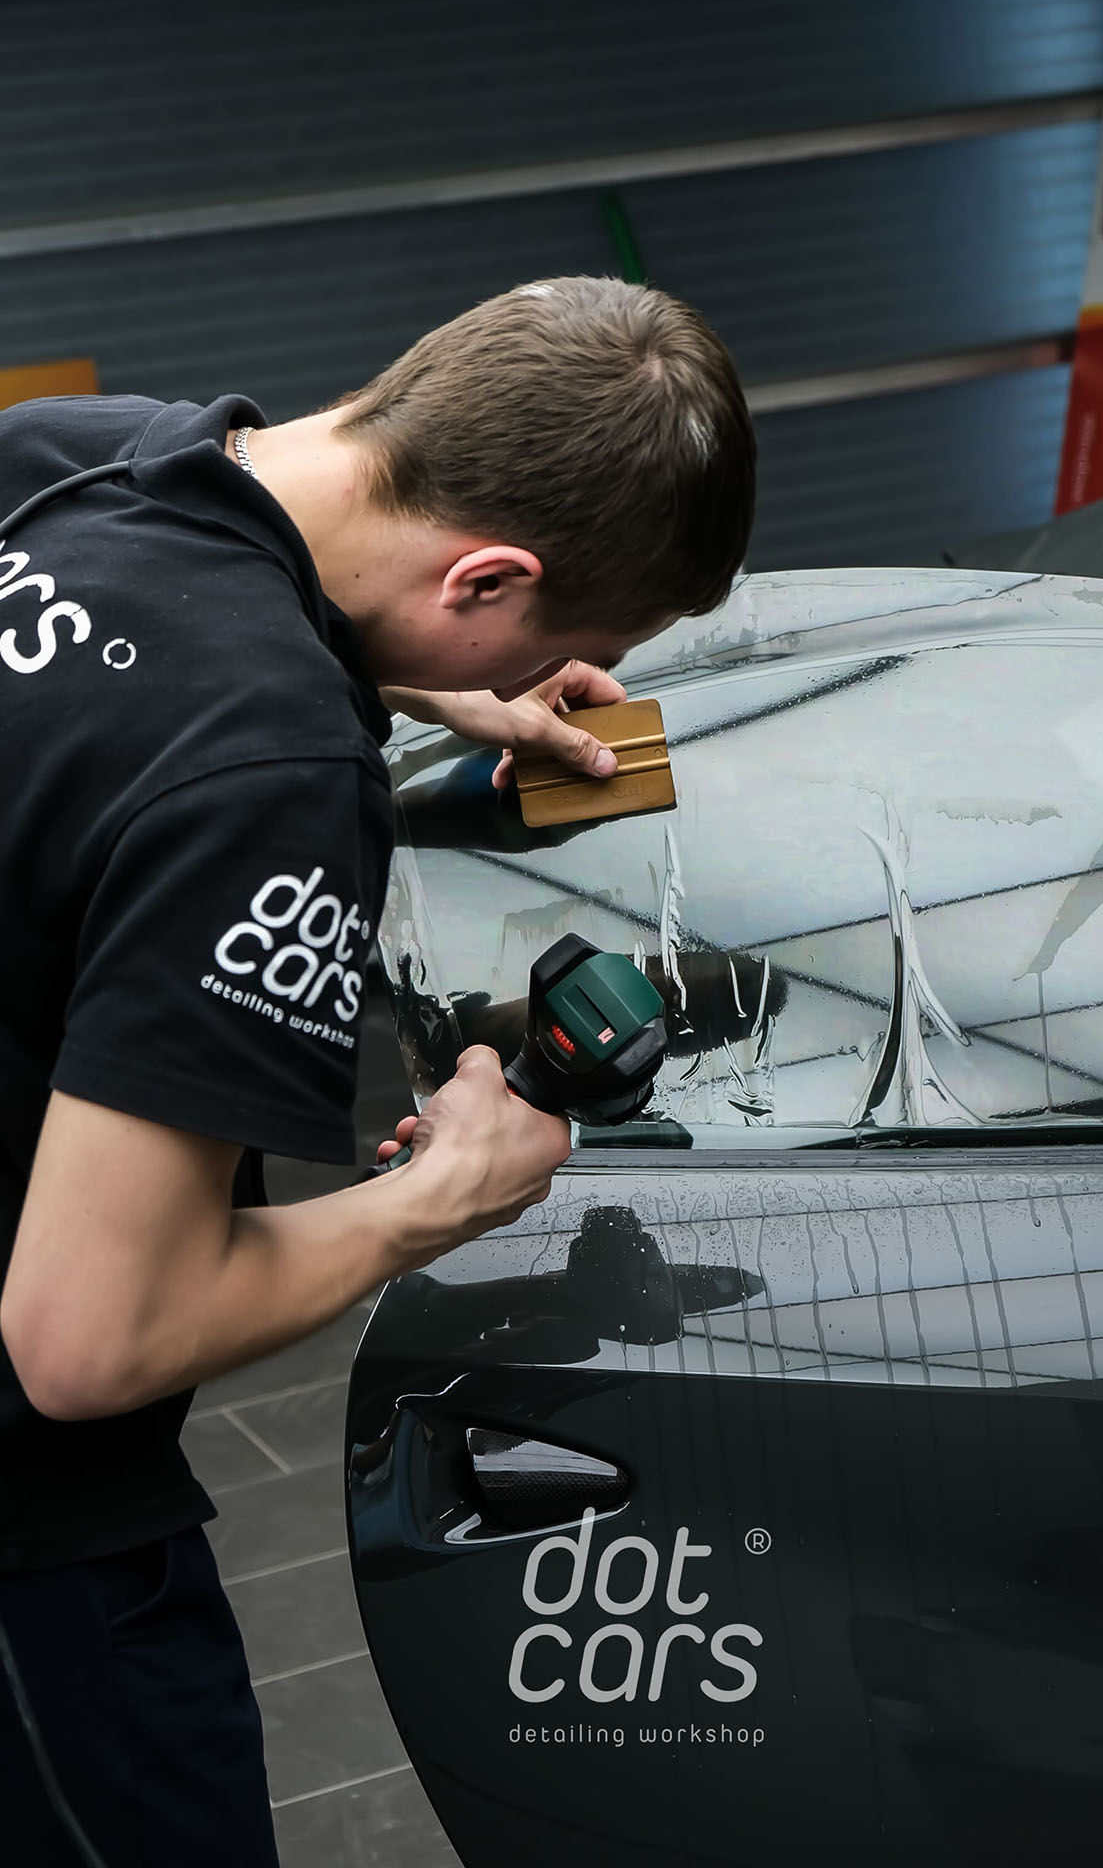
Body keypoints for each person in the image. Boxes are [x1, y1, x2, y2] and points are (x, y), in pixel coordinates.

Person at [0, 275, 755, 1865]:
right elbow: (86, 1340)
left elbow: (113, 676)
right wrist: (440, 1196)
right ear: (486, 578)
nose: (566, 671)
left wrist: (420, 673)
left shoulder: (66, 456)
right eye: (570, 640)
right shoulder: (270, 771)